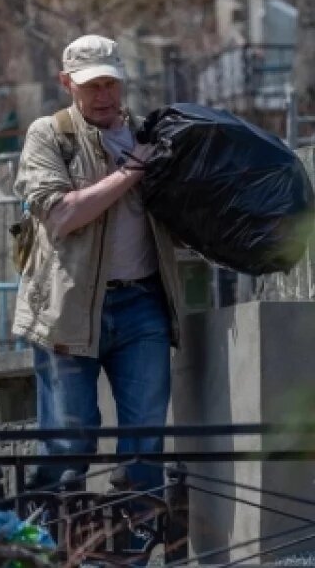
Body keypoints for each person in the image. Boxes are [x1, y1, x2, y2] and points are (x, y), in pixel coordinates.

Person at [12, 34, 184, 494]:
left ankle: (135, 544)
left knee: (146, 438)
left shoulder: (150, 134)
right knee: (70, 440)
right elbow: (61, 215)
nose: (104, 95)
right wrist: (129, 174)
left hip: (142, 303)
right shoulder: (49, 134)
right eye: (93, 86)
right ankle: (54, 541)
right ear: (67, 83)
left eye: (111, 84)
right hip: (66, 309)